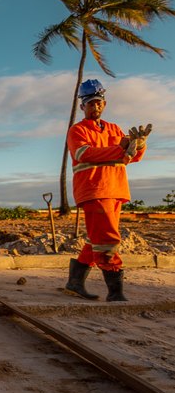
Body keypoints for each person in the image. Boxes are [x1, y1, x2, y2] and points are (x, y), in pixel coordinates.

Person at [64, 79, 150, 302]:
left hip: (116, 189)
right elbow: (84, 154)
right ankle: (115, 292)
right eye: (90, 103)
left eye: (99, 102)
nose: (96, 107)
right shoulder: (77, 130)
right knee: (107, 240)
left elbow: (129, 157)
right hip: (93, 191)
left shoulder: (114, 129)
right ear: (82, 106)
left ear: (104, 103)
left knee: (97, 239)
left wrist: (139, 145)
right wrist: (119, 148)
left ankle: (75, 282)